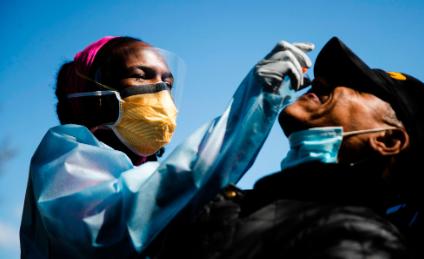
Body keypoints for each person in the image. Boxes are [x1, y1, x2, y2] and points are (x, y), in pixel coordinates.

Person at [147, 37, 424, 259]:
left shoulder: (360, 239)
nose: (320, 82)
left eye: (358, 85)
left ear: (387, 140)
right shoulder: (238, 207)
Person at [19, 36, 316, 258]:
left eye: (168, 83)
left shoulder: (140, 171)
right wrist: (254, 102)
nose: (161, 91)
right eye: (141, 75)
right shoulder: (65, 155)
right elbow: (119, 220)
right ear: (92, 95)